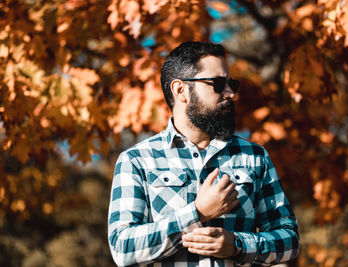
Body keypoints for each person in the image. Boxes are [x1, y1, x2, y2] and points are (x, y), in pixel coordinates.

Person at [108, 41, 299, 267]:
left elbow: (289, 239)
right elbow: (122, 247)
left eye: (231, 84)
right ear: (180, 90)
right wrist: (197, 213)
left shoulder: (254, 156)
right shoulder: (137, 160)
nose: (230, 93)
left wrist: (238, 245)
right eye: (218, 84)